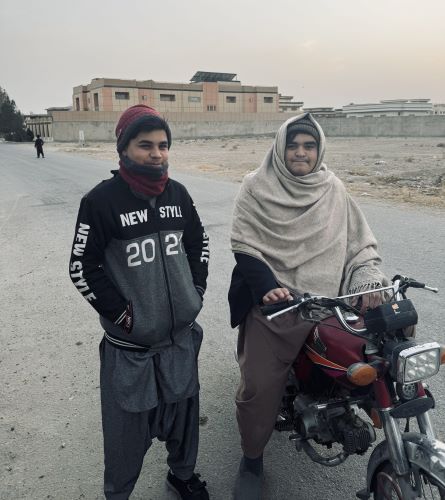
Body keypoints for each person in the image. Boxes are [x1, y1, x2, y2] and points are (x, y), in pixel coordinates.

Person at [228, 113, 387, 499]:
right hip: (276, 303)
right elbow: (244, 245)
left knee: (376, 354)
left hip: (325, 300)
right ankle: (252, 458)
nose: (301, 152)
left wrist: (367, 277)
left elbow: (359, 244)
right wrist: (268, 287)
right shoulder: (255, 186)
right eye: (293, 145)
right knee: (259, 387)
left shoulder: (334, 188)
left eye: (309, 145)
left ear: (319, 150)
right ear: (280, 148)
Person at [69, 105, 210, 500]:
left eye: (163, 145)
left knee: (184, 417)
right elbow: (81, 266)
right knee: (125, 433)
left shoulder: (178, 193)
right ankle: (118, 493)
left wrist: (194, 294)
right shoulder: (101, 201)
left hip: (180, 339)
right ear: (124, 148)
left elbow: (199, 243)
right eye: (145, 145)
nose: (157, 153)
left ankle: (182, 476)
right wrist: (123, 315)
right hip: (130, 349)